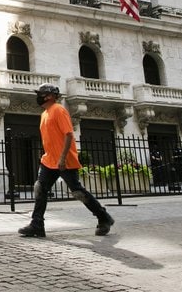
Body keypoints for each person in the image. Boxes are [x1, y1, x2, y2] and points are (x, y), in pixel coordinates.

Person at [18, 84, 115, 238]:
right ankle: (37, 225)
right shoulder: (45, 114)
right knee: (40, 188)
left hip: (64, 160)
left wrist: (62, 157)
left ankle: (104, 217)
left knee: (77, 191)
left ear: (50, 96)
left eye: (41, 94)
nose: (38, 96)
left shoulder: (59, 110)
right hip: (49, 160)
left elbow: (68, 135)